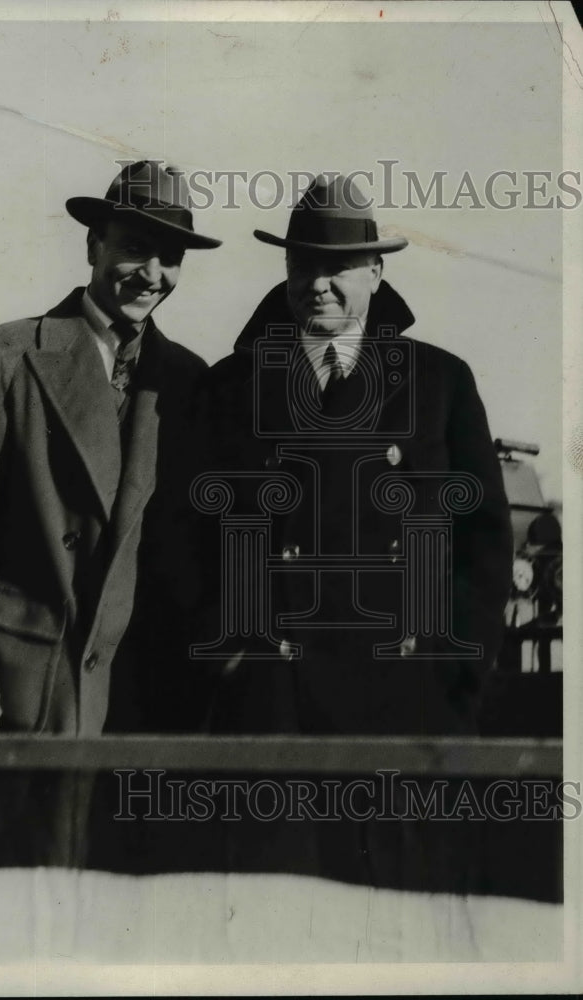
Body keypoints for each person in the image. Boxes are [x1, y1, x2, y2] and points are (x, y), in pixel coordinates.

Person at [200, 171, 514, 892]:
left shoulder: (439, 382)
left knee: (401, 907)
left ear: (376, 271)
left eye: (339, 266)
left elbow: (484, 544)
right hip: (271, 702)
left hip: (404, 700)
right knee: (274, 905)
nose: (319, 284)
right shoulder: (230, 387)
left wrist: (452, 670)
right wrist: (227, 651)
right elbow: (186, 533)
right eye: (303, 263)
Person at [0, 160, 221, 867]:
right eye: (134, 248)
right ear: (93, 245)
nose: (152, 274)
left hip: (127, 698)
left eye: (170, 257)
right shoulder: (10, 354)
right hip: (10, 684)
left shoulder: (186, 381)